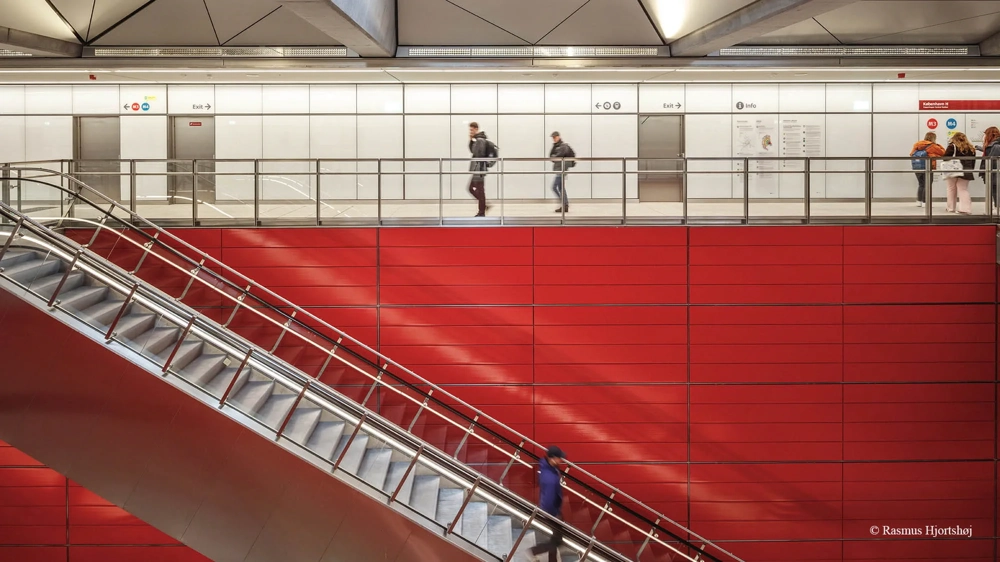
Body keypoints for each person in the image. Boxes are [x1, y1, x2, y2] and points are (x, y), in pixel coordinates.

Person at [527, 446, 566, 562]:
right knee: (557, 540)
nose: (561, 460)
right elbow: (549, 499)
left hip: (552, 509)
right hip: (551, 511)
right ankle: (534, 551)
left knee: (556, 538)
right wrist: (554, 515)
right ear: (552, 458)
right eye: (559, 458)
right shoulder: (550, 478)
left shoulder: (548, 467)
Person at [943, 132, 976, 214]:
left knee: (951, 188)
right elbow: (973, 161)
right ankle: (965, 209)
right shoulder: (971, 148)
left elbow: (945, 158)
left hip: (953, 170)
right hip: (966, 170)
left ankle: (951, 208)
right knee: (963, 189)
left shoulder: (952, 146)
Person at [910, 132, 945, 208]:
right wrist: (937, 145)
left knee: (921, 184)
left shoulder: (917, 144)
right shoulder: (933, 146)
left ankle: (919, 201)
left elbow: (911, 154)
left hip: (917, 166)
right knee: (927, 185)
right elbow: (943, 152)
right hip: (928, 167)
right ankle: (925, 202)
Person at [467, 122, 494, 217]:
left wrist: (472, 140)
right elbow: (473, 151)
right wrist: (471, 140)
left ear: (476, 129)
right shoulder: (477, 139)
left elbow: (478, 153)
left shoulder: (480, 140)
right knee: (473, 189)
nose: (470, 131)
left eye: (471, 130)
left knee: (478, 190)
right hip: (478, 168)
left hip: (479, 168)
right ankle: (484, 206)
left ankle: (482, 211)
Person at [549, 132, 575, 213]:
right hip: (559, 169)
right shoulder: (557, 146)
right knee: (561, 188)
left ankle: (564, 204)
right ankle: (565, 205)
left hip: (562, 169)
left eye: (555, 137)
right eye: (553, 137)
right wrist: (554, 145)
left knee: (554, 187)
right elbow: (551, 156)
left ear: (558, 137)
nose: (554, 138)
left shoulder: (563, 146)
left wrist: (554, 156)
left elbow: (557, 157)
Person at [979, 126, 1000, 209]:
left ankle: (997, 209)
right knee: (994, 190)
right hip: (993, 172)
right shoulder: (995, 144)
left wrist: (986, 169)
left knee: (995, 190)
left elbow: (991, 158)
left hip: (993, 172)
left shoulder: (996, 145)